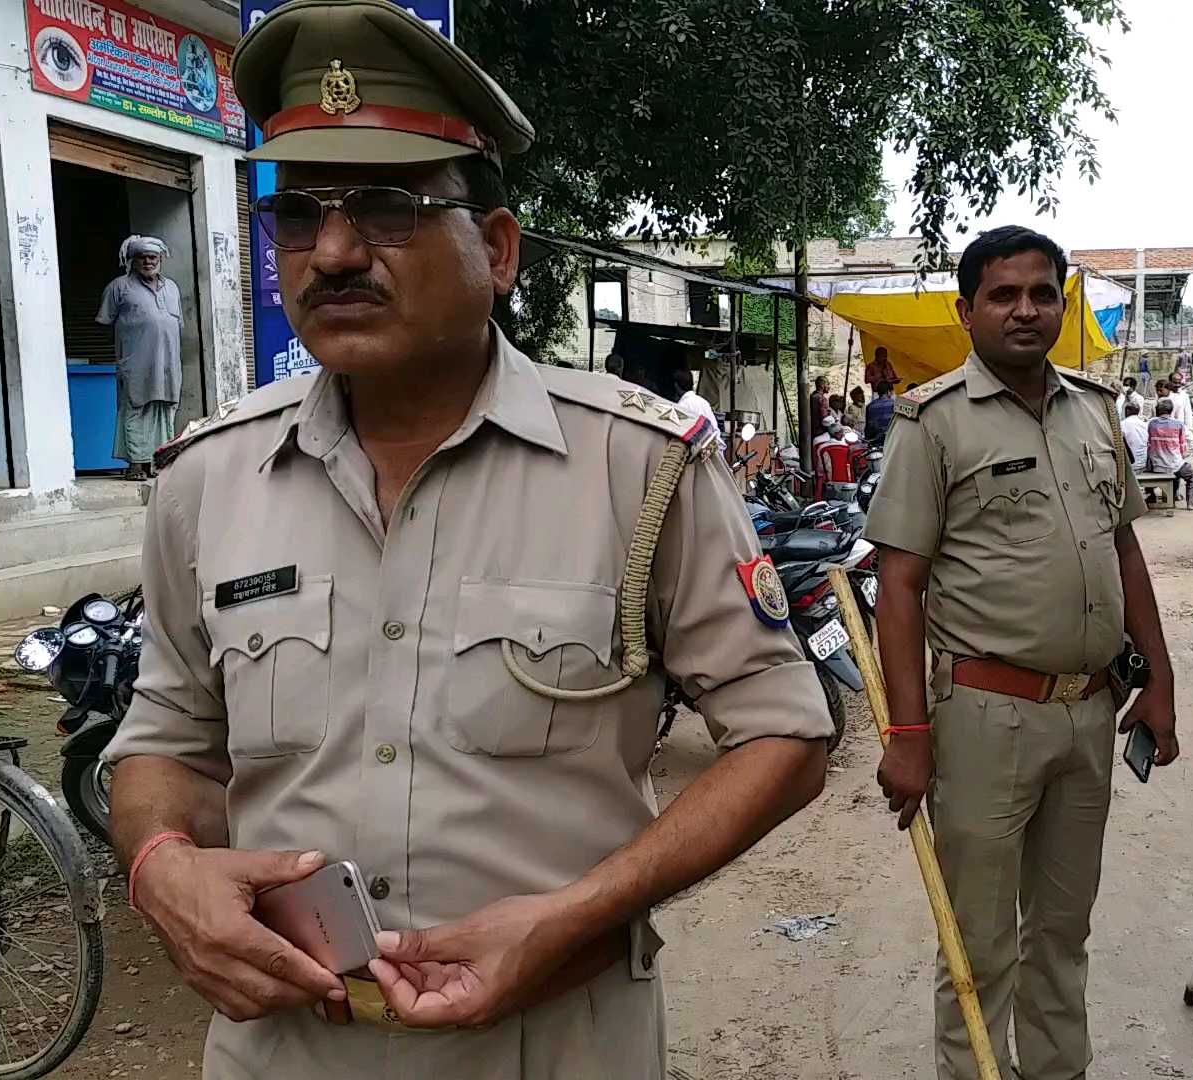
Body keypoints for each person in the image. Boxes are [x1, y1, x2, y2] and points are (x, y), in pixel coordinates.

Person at [102, 5, 833, 1076]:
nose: (334, 252)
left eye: (389, 208)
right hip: (286, 1051)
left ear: (495, 249)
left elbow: (785, 735)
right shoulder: (208, 482)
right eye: (298, 215)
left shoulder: (639, 467)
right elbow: (165, 733)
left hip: (556, 1046)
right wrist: (163, 865)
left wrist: (583, 913)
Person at [867, 225, 1178, 1080]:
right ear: (967, 311)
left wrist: (1162, 681)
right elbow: (899, 587)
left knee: (1063, 933)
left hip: (1089, 712)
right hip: (985, 716)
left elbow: (1124, 552)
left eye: (1043, 293)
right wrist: (909, 733)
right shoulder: (933, 423)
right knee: (979, 945)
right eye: (1003, 295)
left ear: (1062, 303)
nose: (1026, 310)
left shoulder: (1095, 411)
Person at [98, 234, 183, 479]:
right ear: (132, 261)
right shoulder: (119, 287)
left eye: (153, 257)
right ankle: (136, 463)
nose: (148, 262)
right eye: (142, 257)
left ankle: (158, 461)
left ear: (160, 260)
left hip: (168, 364)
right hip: (135, 363)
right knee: (136, 409)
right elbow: (104, 324)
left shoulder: (172, 288)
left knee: (165, 410)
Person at [1145, 398, 1193, 506]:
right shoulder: (1178, 424)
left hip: (1156, 465)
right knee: (1192, 477)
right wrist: (1183, 456)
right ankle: (1191, 504)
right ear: (1171, 411)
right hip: (1174, 464)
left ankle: (1159, 498)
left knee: (1174, 472)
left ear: (1157, 411)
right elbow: (1184, 446)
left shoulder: (1151, 424)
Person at [674, 366, 725, 456]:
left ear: (675, 385)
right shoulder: (703, 402)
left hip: (700, 454)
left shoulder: (682, 406)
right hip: (714, 450)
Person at [1120, 399, 1149, 465]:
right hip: (1142, 464)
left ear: (1127, 411)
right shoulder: (1145, 424)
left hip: (1131, 465)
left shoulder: (1122, 424)